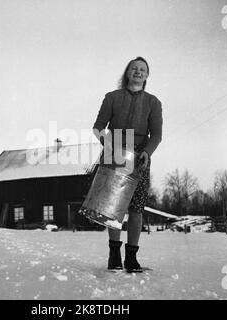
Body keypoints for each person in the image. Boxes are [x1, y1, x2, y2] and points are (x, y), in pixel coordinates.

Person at [92, 57, 163, 272]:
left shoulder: (153, 102)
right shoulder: (112, 97)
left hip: (140, 156)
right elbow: (98, 127)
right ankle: (114, 255)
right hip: (114, 153)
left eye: (142, 70)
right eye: (134, 69)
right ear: (127, 73)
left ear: (147, 75)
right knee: (112, 207)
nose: (138, 72)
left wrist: (147, 153)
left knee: (136, 208)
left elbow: (157, 135)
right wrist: (110, 145)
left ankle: (131, 258)